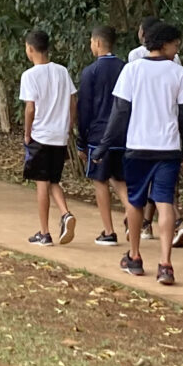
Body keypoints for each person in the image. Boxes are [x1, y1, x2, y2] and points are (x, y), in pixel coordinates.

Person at [109, 21, 183, 285]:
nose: (176, 50)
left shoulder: (132, 69)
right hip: (168, 148)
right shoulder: (178, 73)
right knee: (164, 202)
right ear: (164, 44)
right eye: (175, 45)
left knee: (135, 201)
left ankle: (134, 257)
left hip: (138, 146)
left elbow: (120, 111)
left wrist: (106, 143)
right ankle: (165, 264)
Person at [17, 28, 79, 245]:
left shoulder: (29, 75)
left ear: (30, 49)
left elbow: (30, 108)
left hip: (41, 136)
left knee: (41, 184)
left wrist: (27, 133)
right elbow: (73, 101)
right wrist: (68, 125)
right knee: (53, 180)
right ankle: (65, 214)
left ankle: (44, 233)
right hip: (59, 136)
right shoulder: (62, 71)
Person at [75, 26, 127, 245]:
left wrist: (81, 141)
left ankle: (108, 231)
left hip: (99, 135)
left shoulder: (91, 72)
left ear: (97, 42)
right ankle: (132, 213)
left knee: (100, 180)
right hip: (123, 134)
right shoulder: (125, 68)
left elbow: (84, 108)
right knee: (120, 179)